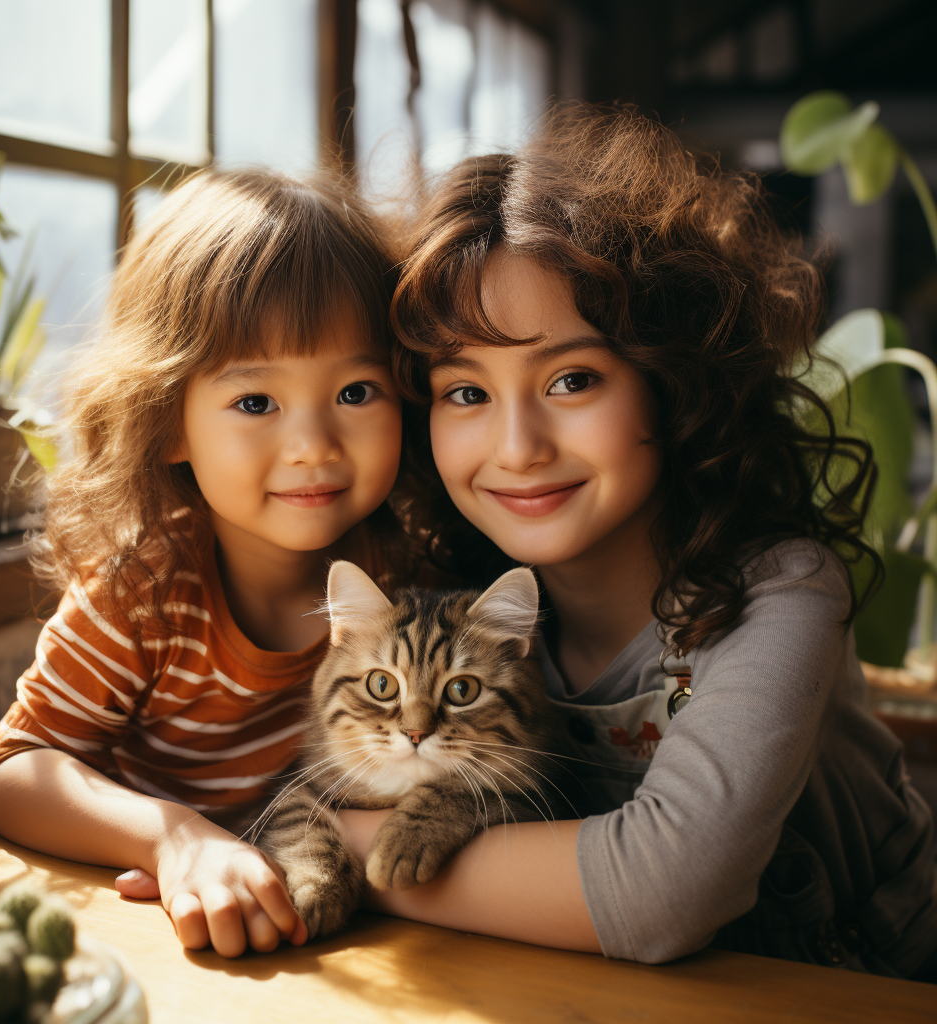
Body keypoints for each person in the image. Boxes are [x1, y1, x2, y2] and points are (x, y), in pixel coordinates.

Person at [337, 103, 937, 979]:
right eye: (466, 393)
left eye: (572, 379)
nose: (518, 448)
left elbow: (664, 890)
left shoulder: (783, 595)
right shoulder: (447, 608)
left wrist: (335, 844)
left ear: (672, 382)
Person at [0, 166, 408, 960]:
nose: (314, 445)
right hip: (171, 943)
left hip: (336, 927)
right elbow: (11, 771)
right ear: (166, 422)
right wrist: (175, 839)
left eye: (355, 392)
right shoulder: (141, 593)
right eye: (255, 403)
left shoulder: (407, 579)